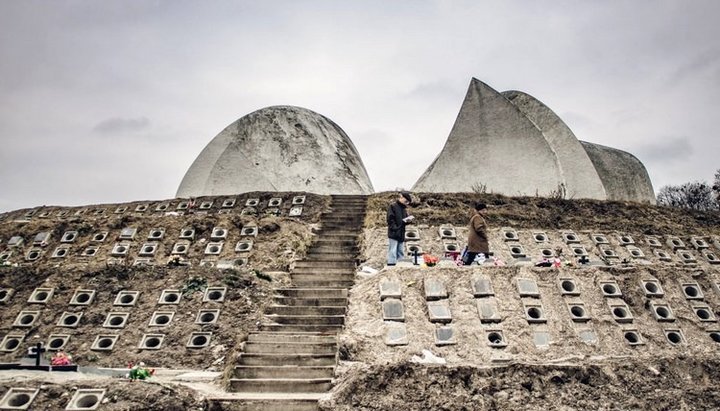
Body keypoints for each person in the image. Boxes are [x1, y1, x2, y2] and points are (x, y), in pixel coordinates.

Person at [386, 192, 414, 266]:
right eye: (406, 201)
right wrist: (395, 228)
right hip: (394, 232)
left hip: (401, 232)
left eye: (407, 202)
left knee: (400, 251)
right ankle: (391, 266)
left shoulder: (404, 209)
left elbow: (403, 221)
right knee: (393, 250)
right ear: (402, 198)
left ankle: (401, 266)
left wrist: (408, 221)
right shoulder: (393, 206)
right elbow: (390, 219)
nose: (406, 203)